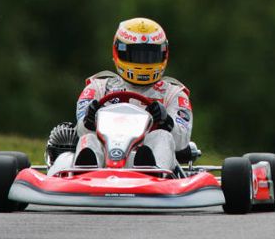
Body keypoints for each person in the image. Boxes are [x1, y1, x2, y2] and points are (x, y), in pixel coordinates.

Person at [45, 18, 193, 174]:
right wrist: (89, 120)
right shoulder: (98, 87)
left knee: (162, 136)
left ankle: (150, 170)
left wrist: (166, 122)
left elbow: (181, 142)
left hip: (151, 166)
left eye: (149, 55)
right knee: (89, 139)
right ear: (118, 52)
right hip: (104, 163)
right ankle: (84, 172)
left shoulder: (174, 93)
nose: (142, 63)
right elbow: (81, 131)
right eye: (135, 55)